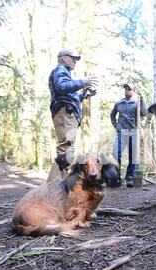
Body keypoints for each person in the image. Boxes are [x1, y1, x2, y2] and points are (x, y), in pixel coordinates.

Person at [47, 48, 97, 182]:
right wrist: (82, 82)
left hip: (67, 114)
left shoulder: (65, 73)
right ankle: (54, 188)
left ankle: (56, 186)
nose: (75, 61)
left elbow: (68, 94)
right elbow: (62, 86)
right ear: (63, 58)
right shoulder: (60, 70)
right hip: (65, 114)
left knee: (66, 151)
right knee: (65, 150)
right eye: (73, 58)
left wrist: (83, 94)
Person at [110, 83, 148, 187]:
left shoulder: (137, 104)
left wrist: (142, 99)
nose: (127, 90)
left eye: (129, 89)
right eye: (125, 89)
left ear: (134, 91)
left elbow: (144, 113)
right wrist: (115, 125)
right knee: (115, 154)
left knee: (133, 157)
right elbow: (112, 115)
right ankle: (116, 178)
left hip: (133, 132)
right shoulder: (119, 103)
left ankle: (130, 178)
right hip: (121, 133)